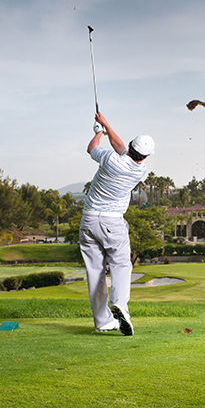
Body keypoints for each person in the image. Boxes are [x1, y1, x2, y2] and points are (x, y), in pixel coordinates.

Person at [79, 112, 154, 335]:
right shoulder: (139, 170)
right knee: (121, 264)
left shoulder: (110, 159)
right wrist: (106, 124)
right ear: (145, 157)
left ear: (130, 147)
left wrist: (99, 132)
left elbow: (91, 148)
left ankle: (103, 321)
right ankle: (120, 303)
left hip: (89, 220)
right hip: (112, 223)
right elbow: (120, 147)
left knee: (95, 271)